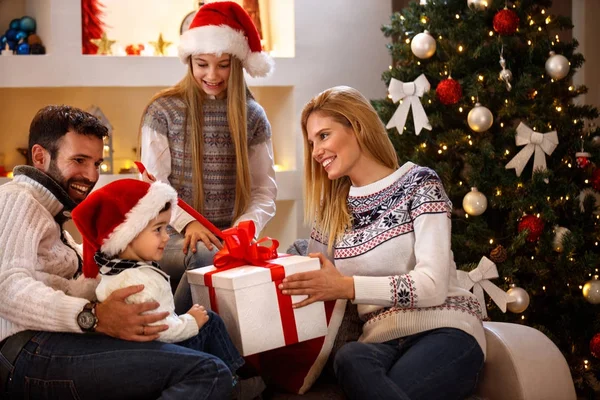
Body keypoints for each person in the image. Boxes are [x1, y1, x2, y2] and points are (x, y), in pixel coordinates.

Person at [0, 105, 233, 399]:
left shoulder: (54, 216)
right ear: (39, 156)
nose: (90, 175)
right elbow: (7, 287)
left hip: (56, 340)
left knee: (203, 328)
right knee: (209, 372)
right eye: (79, 160)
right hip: (26, 351)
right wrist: (93, 317)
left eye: (96, 163)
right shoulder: (17, 199)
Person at [279, 86, 486, 400]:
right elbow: (317, 283)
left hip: (445, 329)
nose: (316, 152)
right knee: (348, 357)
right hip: (378, 344)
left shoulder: (419, 183)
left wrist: (349, 287)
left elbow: (432, 285)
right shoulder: (331, 210)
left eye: (324, 136)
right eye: (311, 143)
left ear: (357, 127)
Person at [139, 0, 277, 314]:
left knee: (223, 257)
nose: (212, 74)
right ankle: (175, 337)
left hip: (225, 237)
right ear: (189, 61)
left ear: (237, 64)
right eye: (202, 64)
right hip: (167, 235)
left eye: (223, 64)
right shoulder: (163, 111)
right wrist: (187, 224)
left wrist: (243, 229)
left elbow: (264, 190)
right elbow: (152, 187)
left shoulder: (253, 117)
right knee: (204, 256)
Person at [71, 178, 265, 398]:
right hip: (157, 352)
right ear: (127, 234)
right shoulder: (134, 284)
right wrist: (191, 321)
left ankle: (236, 372)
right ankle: (233, 382)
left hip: (155, 346)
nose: (166, 237)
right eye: (158, 230)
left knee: (207, 320)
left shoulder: (123, 270)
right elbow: (161, 331)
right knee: (209, 321)